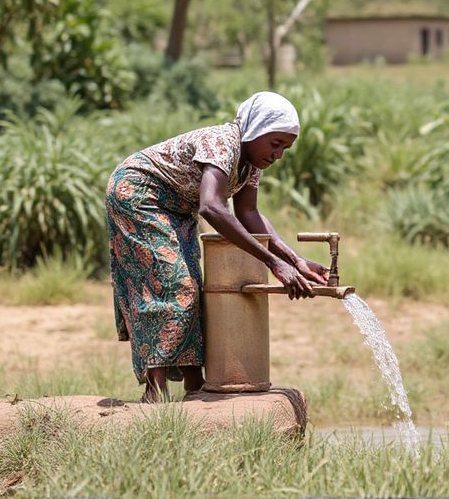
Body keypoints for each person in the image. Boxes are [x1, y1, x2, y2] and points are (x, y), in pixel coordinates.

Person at [105, 91, 329, 403]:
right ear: (255, 130)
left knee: (193, 287)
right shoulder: (223, 144)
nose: (278, 154)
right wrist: (273, 263)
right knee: (169, 282)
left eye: (285, 148)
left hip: (177, 206)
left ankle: (194, 385)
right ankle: (155, 391)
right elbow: (212, 207)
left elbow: (248, 213)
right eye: (275, 143)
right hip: (138, 192)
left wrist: (296, 260)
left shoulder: (251, 164)